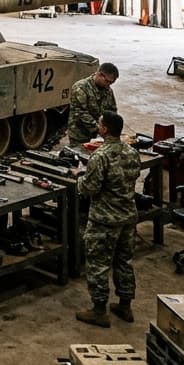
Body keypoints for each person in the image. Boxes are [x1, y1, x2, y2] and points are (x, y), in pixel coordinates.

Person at [75, 110, 141, 327]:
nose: (98, 125)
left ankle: (99, 310)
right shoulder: (131, 152)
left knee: (98, 264)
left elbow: (90, 188)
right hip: (128, 216)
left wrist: (79, 179)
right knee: (124, 261)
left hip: (104, 218)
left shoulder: (100, 155)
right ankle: (125, 305)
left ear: (104, 129)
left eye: (100, 123)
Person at [68, 62, 119, 145]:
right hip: (80, 135)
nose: (108, 85)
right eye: (107, 81)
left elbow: (112, 110)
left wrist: (112, 127)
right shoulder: (81, 87)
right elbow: (80, 113)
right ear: (99, 74)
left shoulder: (108, 90)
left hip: (101, 133)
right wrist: (99, 129)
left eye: (111, 83)